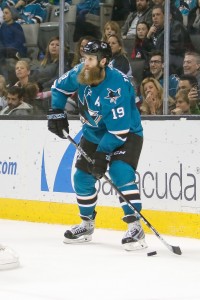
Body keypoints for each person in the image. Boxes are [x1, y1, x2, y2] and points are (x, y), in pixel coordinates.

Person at [47, 40, 147, 251]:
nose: (85, 63)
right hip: (93, 133)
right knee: (81, 178)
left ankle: (135, 227)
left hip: (126, 133)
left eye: (90, 59)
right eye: (84, 58)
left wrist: (102, 155)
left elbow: (118, 132)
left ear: (103, 61)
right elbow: (58, 88)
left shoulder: (118, 85)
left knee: (120, 172)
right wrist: (57, 111)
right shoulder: (81, 72)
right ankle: (86, 224)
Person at [147, 4, 193, 75]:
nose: (155, 18)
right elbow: (148, 51)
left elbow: (175, 48)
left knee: (160, 60)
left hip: (180, 58)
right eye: (153, 15)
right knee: (149, 62)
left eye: (158, 14)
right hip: (166, 57)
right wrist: (148, 36)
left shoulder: (177, 27)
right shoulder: (156, 31)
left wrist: (158, 54)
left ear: (167, 16)